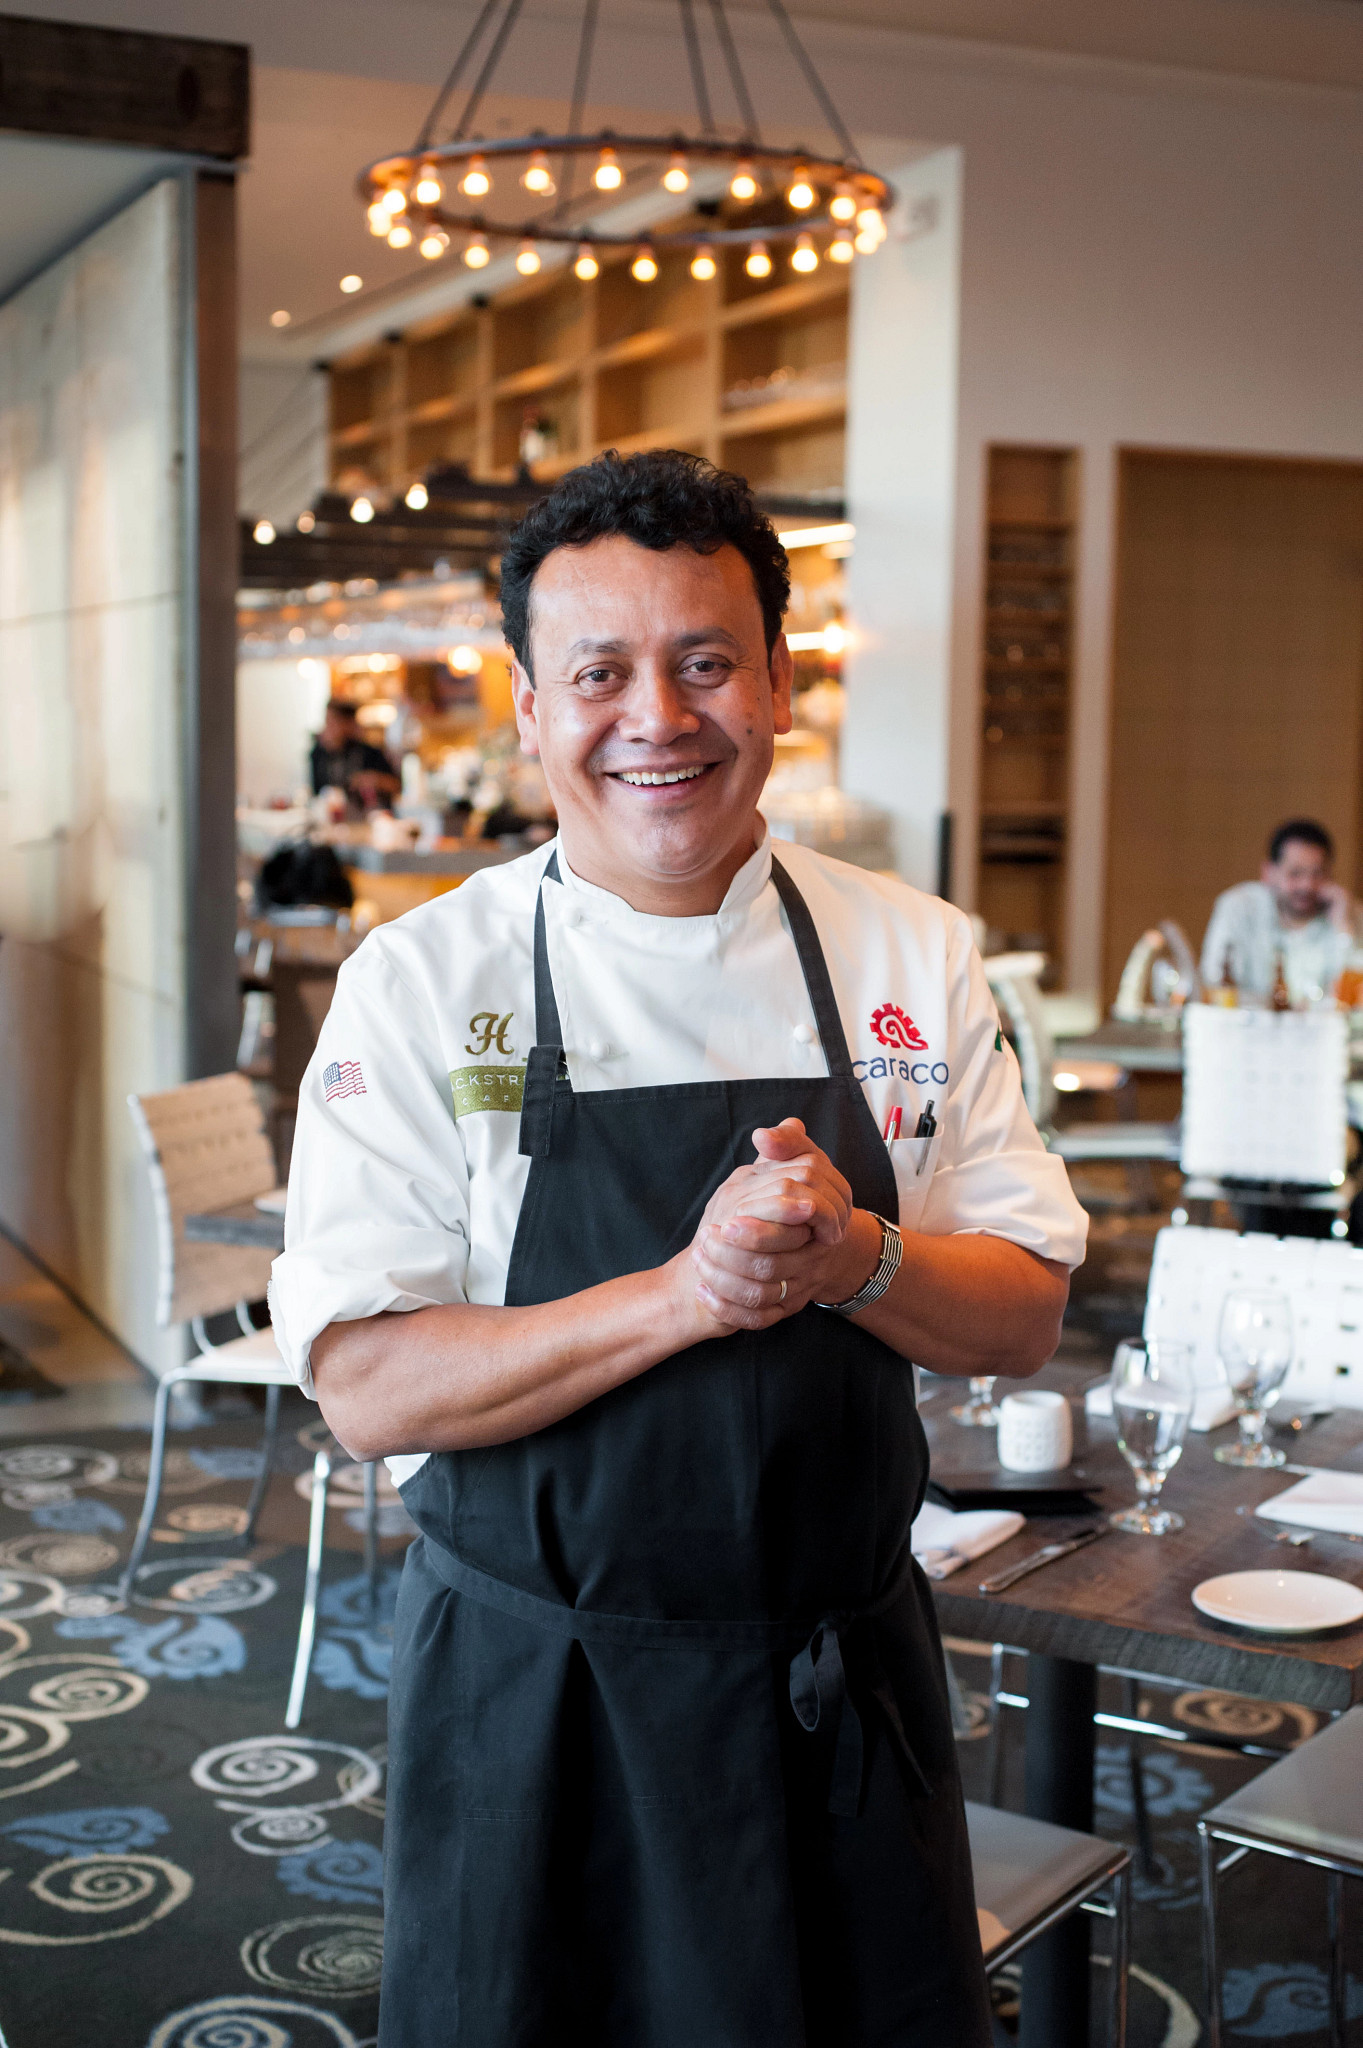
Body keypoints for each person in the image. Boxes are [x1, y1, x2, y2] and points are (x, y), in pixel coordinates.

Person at [269, 451, 1088, 2048]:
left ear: (778, 680)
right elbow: (367, 1385)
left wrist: (855, 1257)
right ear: (526, 707)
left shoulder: (907, 952)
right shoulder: (423, 983)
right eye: (599, 674)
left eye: (705, 662)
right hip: (540, 1695)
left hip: (837, 1688)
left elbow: (1021, 1315)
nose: (657, 717)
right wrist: (684, 1293)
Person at [1201, 818, 1363, 1004]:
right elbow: (1213, 981)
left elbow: (1355, 999)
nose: (1307, 885)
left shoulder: (1348, 913)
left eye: (1318, 874)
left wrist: (1344, 930)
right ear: (1268, 873)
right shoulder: (1240, 907)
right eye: (1295, 873)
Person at [308, 699, 400, 810]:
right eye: (327, 721)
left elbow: (396, 786)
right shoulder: (318, 754)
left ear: (349, 724)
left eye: (333, 721)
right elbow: (315, 793)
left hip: (367, 818)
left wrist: (375, 780)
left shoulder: (369, 752)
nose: (328, 726)